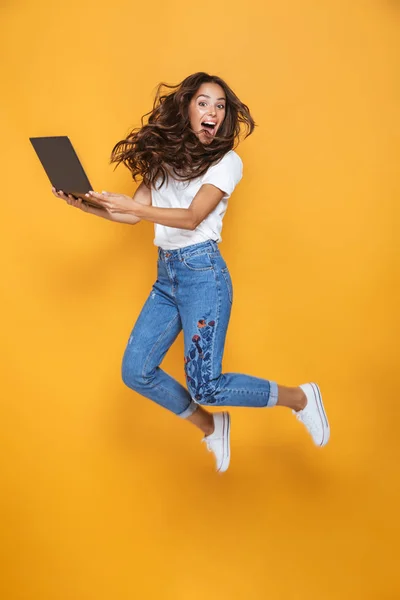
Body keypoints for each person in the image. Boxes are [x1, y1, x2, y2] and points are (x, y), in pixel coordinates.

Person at [52, 71, 330, 473]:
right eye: (203, 102)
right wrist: (85, 205)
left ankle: (301, 398)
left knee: (207, 384)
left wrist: (134, 208)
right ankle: (210, 424)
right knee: (137, 372)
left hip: (203, 274)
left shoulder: (227, 162)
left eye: (219, 106)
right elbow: (131, 217)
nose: (212, 112)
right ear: (186, 108)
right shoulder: (164, 158)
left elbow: (191, 217)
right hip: (168, 277)